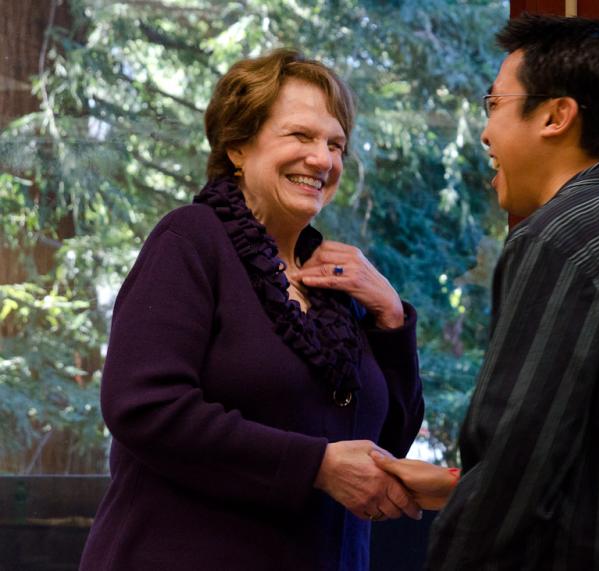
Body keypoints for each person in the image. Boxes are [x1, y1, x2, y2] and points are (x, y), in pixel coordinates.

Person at [373, 14, 599, 570]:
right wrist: (457, 485)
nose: (485, 133)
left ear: (555, 115)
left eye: (494, 104)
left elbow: (516, 458)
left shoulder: (559, 238)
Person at [80, 49, 424, 571]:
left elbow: (384, 449)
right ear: (238, 146)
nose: (322, 160)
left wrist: (392, 318)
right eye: (300, 136)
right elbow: (143, 405)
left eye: (335, 144)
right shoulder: (190, 239)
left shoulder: (338, 282)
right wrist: (316, 465)